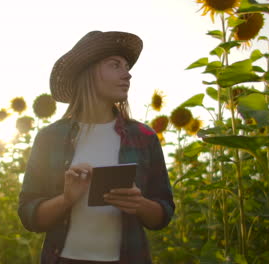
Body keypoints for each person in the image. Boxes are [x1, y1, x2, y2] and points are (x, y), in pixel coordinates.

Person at [18, 31, 175, 264]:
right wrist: (67, 199)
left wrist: (139, 204)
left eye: (126, 66)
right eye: (115, 65)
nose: (128, 74)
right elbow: (30, 217)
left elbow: (162, 215)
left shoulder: (144, 137)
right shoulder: (49, 138)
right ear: (88, 71)